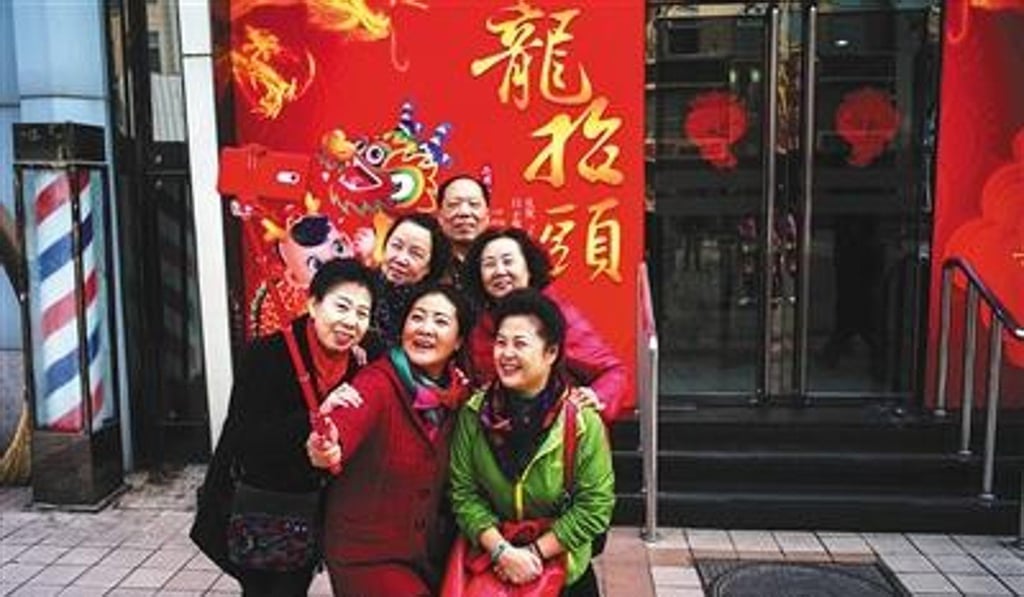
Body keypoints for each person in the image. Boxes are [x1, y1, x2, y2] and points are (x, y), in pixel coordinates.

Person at [190, 258, 376, 596]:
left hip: (316, 512)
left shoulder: (362, 360)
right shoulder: (269, 355)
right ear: (314, 304)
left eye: (362, 313)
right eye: (342, 306)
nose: (351, 321)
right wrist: (314, 416)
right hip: (263, 507)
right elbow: (246, 440)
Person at [306, 285, 474, 596]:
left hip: (430, 553)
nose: (425, 328)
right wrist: (327, 445)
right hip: (366, 554)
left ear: (459, 340)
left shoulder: (461, 396)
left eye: (440, 321)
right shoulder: (378, 381)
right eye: (417, 317)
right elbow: (345, 425)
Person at [448, 288, 615, 596]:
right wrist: (502, 552)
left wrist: (534, 554)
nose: (506, 353)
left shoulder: (580, 421)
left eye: (520, 344)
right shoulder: (474, 413)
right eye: (501, 342)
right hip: (492, 566)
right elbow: (463, 493)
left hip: (562, 570)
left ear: (550, 353)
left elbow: (595, 507)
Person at [462, 227, 626, 423]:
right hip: (493, 437)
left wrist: (597, 396)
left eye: (508, 261)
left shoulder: (556, 315)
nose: (499, 271)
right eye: (489, 264)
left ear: (529, 268)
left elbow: (613, 372)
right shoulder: (479, 324)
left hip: (555, 435)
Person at [371, 213, 452, 352]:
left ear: (430, 267)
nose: (401, 259)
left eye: (415, 254)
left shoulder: (436, 310)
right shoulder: (362, 287)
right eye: (396, 246)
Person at [435, 174, 491, 288]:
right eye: (453, 204)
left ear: (487, 215)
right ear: (439, 216)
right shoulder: (429, 264)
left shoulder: (501, 265)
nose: (464, 212)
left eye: (474, 204)